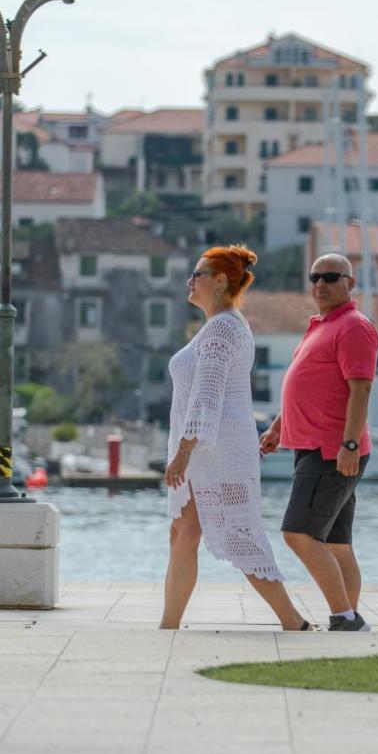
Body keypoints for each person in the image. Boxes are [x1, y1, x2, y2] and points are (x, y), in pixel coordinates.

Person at [161, 245, 309, 632]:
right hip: (209, 450)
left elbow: (206, 395)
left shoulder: (224, 327)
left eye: (198, 274)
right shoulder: (218, 326)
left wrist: (183, 451)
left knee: (240, 534)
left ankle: (292, 620)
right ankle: (169, 624)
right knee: (183, 532)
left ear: (221, 281)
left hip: (216, 451)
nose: (189, 281)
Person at [259, 253, 378, 632]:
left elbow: (360, 388)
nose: (320, 284)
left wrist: (348, 445)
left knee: (299, 533)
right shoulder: (321, 326)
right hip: (314, 445)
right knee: (338, 543)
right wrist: (280, 426)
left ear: (350, 282)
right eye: (314, 277)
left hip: (332, 450)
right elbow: (309, 385)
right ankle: (350, 617)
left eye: (330, 276)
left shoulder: (354, 327)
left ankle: (345, 617)